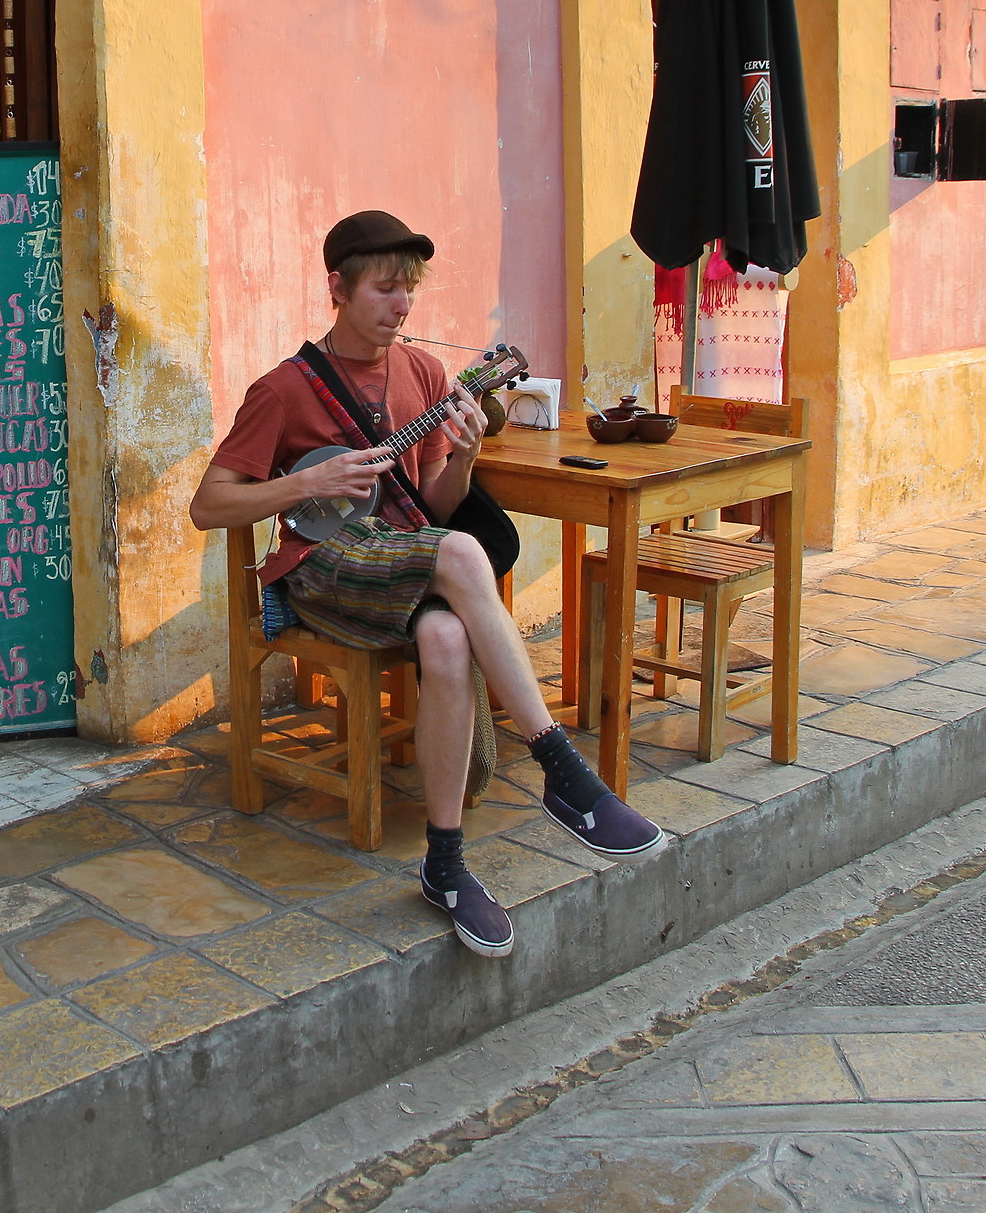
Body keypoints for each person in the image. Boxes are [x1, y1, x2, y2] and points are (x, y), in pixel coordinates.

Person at [190, 211, 668, 957]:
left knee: (448, 637)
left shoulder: (425, 375)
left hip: (399, 557)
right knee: (467, 558)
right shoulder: (282, 390)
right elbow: (208, 505)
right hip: (321, 568)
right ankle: (561, 769)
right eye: (385, 288)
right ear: (337, 289)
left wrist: (467, 459)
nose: (402, 304)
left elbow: (436, 508)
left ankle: (444, 863)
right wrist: (304, 483)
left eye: (408, 289)